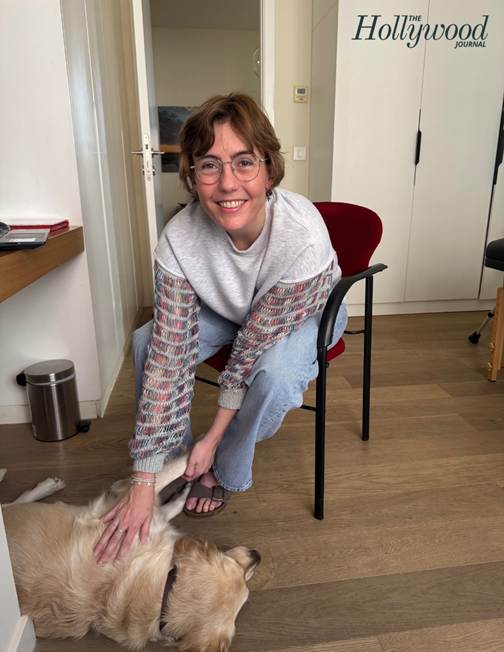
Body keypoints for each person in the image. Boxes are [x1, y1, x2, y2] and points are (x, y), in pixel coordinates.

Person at [94, 93, 347, 563]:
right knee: (146, 340)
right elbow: (168, 355)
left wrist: (212, 439)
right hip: (230, 309)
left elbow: (250, 351)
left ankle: (222, 468)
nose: (227, 183)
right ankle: (176, 463)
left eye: (244, 162)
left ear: (268, 169)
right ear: (192, 175)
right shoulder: (178, 239)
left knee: (273, 374)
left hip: (306, 310)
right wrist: (144, 479)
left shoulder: (303, 237)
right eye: (210, 165)